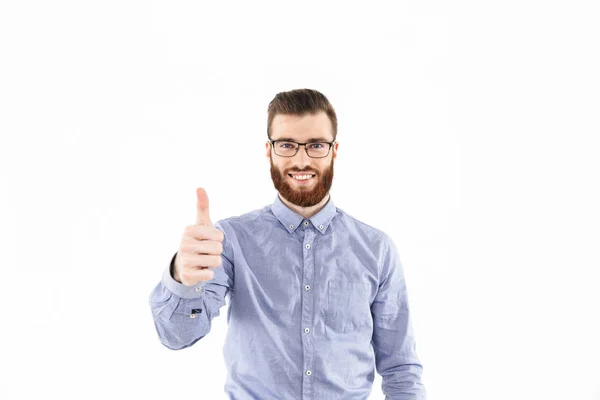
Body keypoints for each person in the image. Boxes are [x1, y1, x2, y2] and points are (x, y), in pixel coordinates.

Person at [149, 88, 426, 399]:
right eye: (287, 145)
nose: (301, 159)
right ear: (269, 150)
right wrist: (182, 279)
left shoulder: (377, 249)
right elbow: (177, 336)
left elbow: (400, 369)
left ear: (334, 151)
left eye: (316, 145)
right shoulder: (228, 242)